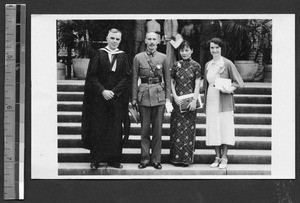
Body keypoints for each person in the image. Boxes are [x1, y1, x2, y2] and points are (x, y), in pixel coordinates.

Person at [81, 28, 131, 169]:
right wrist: (103, 91)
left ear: (120, 40)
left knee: (115, 129)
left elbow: (126, 77)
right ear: (107, 38)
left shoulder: (123, 56)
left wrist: (114, 92)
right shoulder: (99, 54)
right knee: (98, 128)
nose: (115, 41)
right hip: (99, 98)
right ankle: (96, 160)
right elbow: (92, 76)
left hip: (116, 98)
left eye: (117, 39)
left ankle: (113, 160)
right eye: (112, 38)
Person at [132, 32, 172, 170]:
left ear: (159, 41)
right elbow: (134, 79)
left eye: (154, 39)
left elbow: (167, 79)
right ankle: (144, 159)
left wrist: (168, 98)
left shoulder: (164, 57)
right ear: (145, 40)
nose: (151, 42)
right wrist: (134, 98)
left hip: (159, 97)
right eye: (149, 39)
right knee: (144, 131)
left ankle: (156, 160)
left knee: (157, 131)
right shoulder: (138, 57)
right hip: (143, 96)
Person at [203, 38, 244, 169]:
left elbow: (239, 82)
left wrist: (227, 88)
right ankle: (217, 156)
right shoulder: (208, 65)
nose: (214, 50)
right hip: (211, 99)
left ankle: (225, 156)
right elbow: (206, 85)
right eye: (212, 48)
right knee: (214, 127)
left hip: (224, 100)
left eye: (217, 48)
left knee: (225, 127)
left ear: (221, 48)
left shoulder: (227, 63)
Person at [169, 40, 202, 166]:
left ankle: (186, 159)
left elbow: (198, 83)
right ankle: (175, 158)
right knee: (176, 129)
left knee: (188, 130)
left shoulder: (196, 66)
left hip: (190, 102)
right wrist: (175, 96)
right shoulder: (176, 65)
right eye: (182, 50)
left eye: (187, 50)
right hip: (178, 101)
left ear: (192, 51)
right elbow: (171, 82)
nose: (184, 53)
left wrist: (194, 100)